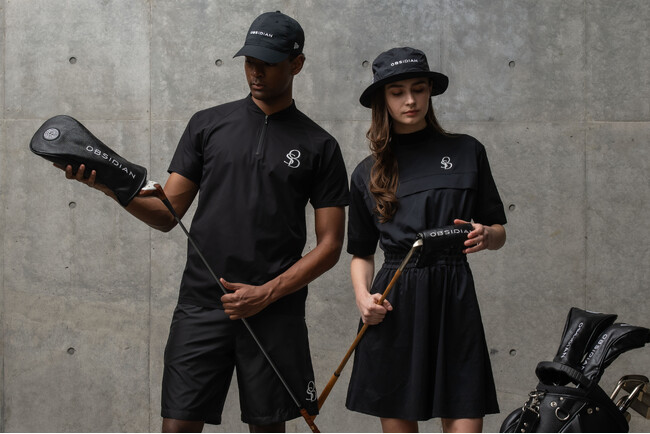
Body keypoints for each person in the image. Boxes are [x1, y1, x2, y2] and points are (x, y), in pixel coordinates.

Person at [58, 11, 349, 433]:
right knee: (177, 427)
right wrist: (106, 185)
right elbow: (166, 215)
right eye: (250, 61)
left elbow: (331, 245)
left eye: (268, 63)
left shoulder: (320, 145)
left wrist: (266, 294)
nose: (256, 72)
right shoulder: (207, 125)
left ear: (297, 64)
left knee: (268, 429)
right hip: (200, 305)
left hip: (274, 311)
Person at [345, 47, 507, 433]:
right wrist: (363, 298)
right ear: (383, 100)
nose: (410, 100)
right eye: (397, 92)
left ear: (430, 91)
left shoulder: (467, 151)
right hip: (395, 299)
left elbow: (498, 231)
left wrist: (488, 235)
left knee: (465, 412)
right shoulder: (368, 172)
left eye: (418, 89)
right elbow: (361, 253)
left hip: (454, 294)